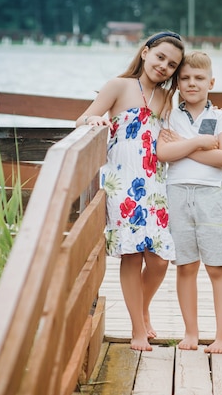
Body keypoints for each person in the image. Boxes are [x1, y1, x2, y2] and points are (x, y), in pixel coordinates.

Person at [75, 31, 184, 351]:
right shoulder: (119, 86)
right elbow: (83, 118)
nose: (164, 66)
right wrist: (92, 123)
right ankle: (138, 329)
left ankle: (142, 307)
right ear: (146, 52)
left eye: (172, 64)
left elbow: (167, 140)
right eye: (160, 57)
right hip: (123, 184)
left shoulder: (166, 99)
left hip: (155, 184)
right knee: (133, 255)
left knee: (161, 260)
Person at [157, 51, 222, 354]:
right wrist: (200, 144)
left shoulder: (220, 117)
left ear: (211, 82)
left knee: (217, 267)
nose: (192, 83)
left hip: (210, 196)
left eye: (199, 78)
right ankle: (191, 333)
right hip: (176, 194)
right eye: (185, 78)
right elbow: (164, 154)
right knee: (186, 267)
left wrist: (181, 146)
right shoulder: (169, 115)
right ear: (177, 83)